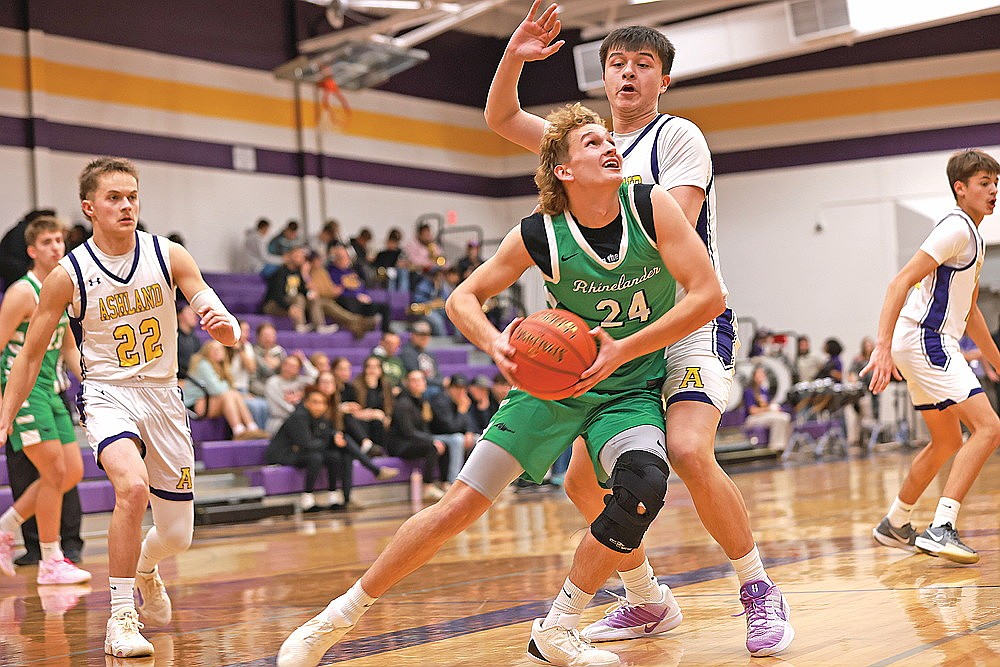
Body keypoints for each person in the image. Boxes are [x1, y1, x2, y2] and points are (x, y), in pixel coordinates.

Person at [277, 103, 723, 667]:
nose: (610, 147)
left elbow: (709, 295)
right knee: (457, 506)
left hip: (628, 385)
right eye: (591, 143)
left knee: (643, 484)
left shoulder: (651, 206)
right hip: (553, 388)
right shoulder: (539, 234)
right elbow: (461, 297)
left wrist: (624, 350)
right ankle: (333, 620)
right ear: (563, 170)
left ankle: (559, 628)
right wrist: (494, 344)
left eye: (609, 138)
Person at [483, 3, 792, 655]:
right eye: (617, 63)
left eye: (643, 65)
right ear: (602, 78)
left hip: (684, 320)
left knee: (687, 450)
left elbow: (661, 232)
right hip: (613, 332)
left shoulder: (677, 138)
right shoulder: (583, 145)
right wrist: (514, 57)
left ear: (663, 81)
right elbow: (502, 119)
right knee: (578, 480)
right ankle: (648, 598)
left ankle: (759, 589)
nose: (628, 74)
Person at [0, 157, 242, 657]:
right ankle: (121, 617)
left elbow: (206, 300)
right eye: (114, 198)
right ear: (89, 208)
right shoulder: (67, 276)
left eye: (132, 196)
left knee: (177, 535)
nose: (126, 205)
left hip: (164, 396)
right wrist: (4, 414)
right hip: (108, 393)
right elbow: (26, 357)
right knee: (131, 490)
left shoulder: (168, 255)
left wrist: (226, 325)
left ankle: (148, 567)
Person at [867, 149, 1000, 565]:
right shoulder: (956, 227)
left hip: (924, 341)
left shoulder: (972, 235)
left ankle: (896, 521)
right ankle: (943, 526)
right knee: (989, 427)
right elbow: (899, 283)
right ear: (960, 189)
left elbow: (971, 310)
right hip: (927, 338)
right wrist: (882, 345)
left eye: (996, 183)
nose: (993, 191)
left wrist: (996, 359)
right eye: (984, 184)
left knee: (946, 440)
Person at [0, 215, 91, 585]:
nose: (57, 247)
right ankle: (51, 561)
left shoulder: (62, 287)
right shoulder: (22, 292)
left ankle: (7, 526)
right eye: (49, 242)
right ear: (32, 251)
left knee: (72, 472)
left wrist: (98, 385)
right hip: (23, 390)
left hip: (53, 390)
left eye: (60, 240)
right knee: (52, 472)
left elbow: (69, 346)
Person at [382, 369, 449, 502]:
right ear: (407, 383)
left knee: (444, 445)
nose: (419, 383)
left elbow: (424, 429)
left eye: (421, 380)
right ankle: (427, 487)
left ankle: (444, 482)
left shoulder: (421, 402)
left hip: (412, 441)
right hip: (400, 445)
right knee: (432, 447)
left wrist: (433, 439)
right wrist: (432, 440)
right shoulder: (403, 404)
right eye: (414, 380)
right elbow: (408, 432)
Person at [183, 340, 268, 440]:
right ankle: (238, 431)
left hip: (209, 401)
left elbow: (227, 389)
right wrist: (229, 388)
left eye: (220, 349)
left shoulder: (222, 366)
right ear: (207, 351)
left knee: (234, 394)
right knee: (228, 395)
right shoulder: (203, 364)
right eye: (214, 349)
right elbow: (216, 389)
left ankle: (252, 428)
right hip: (194, 406)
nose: (218, 351)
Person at [327, 244, 392, 333]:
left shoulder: (352, 271)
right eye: (342, 257)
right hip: (346, 301)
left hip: (361, 302)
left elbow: (361, 287)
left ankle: (386, 332)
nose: (346, 260)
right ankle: (363, 324)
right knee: (346, 300)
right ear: (336, 259)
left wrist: (364, 296)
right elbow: (335, 291)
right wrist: (355, 295)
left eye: (347, 257)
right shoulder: (331, 272)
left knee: (384, 307)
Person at [429, 374, 477, 483]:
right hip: (437, 436)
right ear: (449, 388)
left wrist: (469, 432)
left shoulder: (463, 400)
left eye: (463, 388)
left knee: (478, 439)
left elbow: (470, 423)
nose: (460, 392)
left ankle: (476, 480)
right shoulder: (439, 400)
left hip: (453, 434)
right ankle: (453, 481)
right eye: (457, 388)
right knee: (458, 439)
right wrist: (461, 410)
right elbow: (451, 427)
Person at [261, 246, 314, 333]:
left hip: (290, 303)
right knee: (298, 298)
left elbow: (303, 290)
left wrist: (305, 275)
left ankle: (318, 325)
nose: (299, 259)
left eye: (301, 257)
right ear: (289, 256)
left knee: (306, 298)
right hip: (273, 304)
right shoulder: (280, 273)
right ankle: (300, 325)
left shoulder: (298, 273)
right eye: (297, 256)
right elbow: (277, 295)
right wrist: (289, 307)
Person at [743, 366, 792, 454]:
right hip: (752, 419)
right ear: (754, 376)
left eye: (762, 375)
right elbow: (753, 411)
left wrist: (774, 409)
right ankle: (775, 447)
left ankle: (784, 446)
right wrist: (769, 409)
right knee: (778, 419)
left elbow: (766, 406)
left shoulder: (763, 390)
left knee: (785, 417)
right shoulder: (749, 391)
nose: (761, 377)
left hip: (764, 416)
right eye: (759, 375)